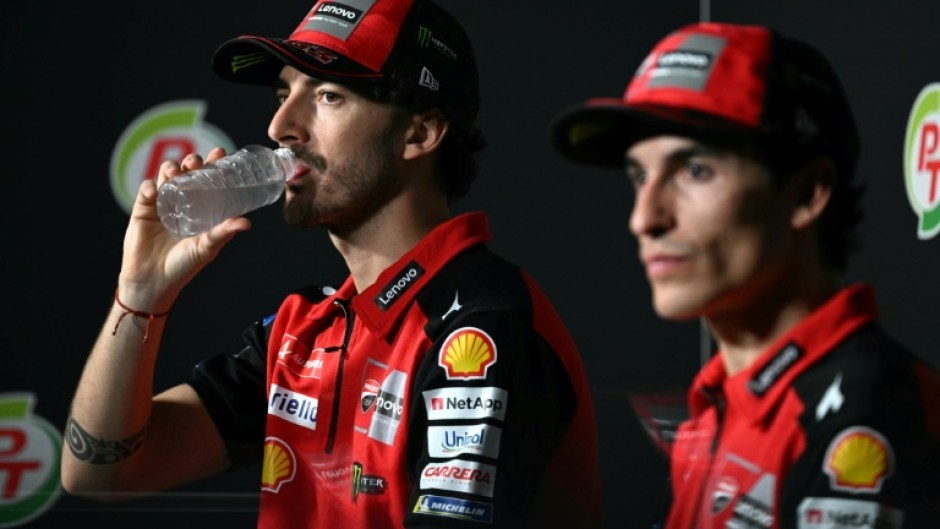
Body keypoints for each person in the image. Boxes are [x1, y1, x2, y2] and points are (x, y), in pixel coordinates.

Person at [60, 1, 602, 527]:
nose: (279, 127)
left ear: (420, 133)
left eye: (327, 95)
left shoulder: (481, 320)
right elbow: (101, 473)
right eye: (282, 93)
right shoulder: (304, 330)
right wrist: (141, 295)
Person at [551, 21, 940, 529]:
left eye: (694, 171)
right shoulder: (724, 397)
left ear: (806, 193)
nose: (644, 218)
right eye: (640, 176)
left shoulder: (870, 416)